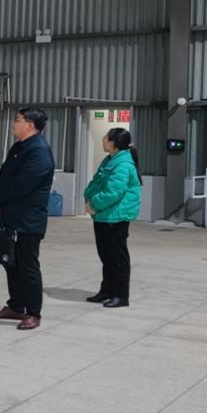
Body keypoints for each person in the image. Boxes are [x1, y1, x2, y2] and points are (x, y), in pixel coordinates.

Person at [0, 107, 56, 330]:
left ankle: (33, 312)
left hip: (28, 220)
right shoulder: (19, 147)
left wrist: (0, 200)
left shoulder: (39, 152)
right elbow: (3, 174)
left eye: (17, 120)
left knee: (28, 266)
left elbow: (22, 185)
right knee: (11, 264)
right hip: (10, 215)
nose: (13, 123)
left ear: (30, 125)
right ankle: (16, 306)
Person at [83, 128, 142, 308]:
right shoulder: (110, 160)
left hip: (115, 217)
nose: (103, 140)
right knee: (106, 256)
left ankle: (121, 295)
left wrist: (94, 204)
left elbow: (114, 192)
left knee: (117, 258)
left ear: (114, 143)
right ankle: (107, 291)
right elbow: (97, 181)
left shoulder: (123, 164)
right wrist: (88, 197)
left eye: (106, 138)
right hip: (104, 215)